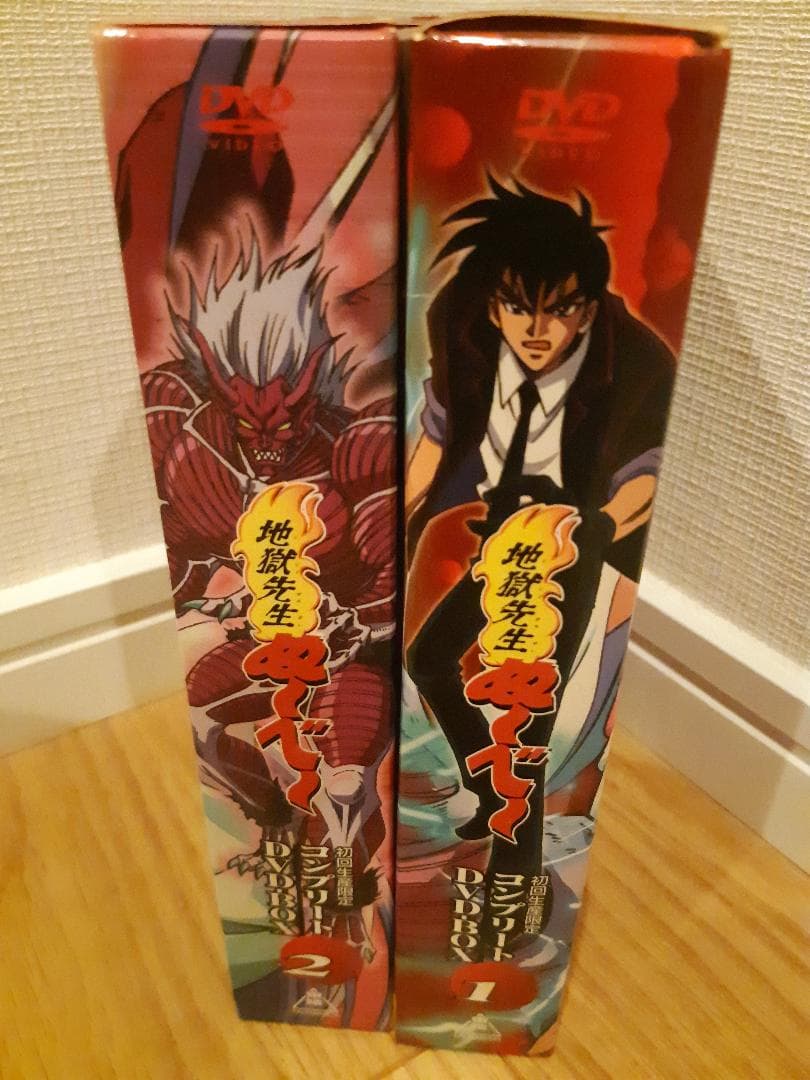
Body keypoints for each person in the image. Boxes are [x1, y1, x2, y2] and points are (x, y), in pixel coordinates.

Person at [406, 177, 675, 847]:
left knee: (532, 704)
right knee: (431, 660)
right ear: (493, 302)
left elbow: (645, 473)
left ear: (586, 311)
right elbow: (437, 432)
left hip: (577, 532)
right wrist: (390, 518)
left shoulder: (637, 362)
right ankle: (489, 787)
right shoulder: (460, 325)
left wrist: (594, 530)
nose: (535, 328)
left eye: (558, 310)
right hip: (502, 533)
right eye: (517, 306)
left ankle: (516, 864)